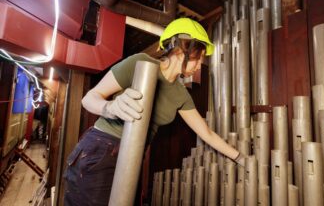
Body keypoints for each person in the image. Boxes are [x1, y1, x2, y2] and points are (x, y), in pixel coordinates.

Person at [63, 17, 246, 206]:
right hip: (101, 147)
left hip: (133, 156)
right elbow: (89, 99)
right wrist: (109, 108)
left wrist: (240, 158)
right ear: (183, 49)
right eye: (199, 58)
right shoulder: (140, 63)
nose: (200, 65)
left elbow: (206, 133)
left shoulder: (180, 94)